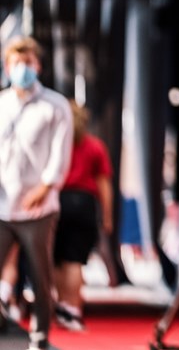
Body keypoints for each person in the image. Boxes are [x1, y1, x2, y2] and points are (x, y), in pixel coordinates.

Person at [0, 36, 73, 350]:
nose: (22, 69)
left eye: (28, 62)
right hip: (2, 206)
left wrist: (45, 187)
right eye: (16, 63)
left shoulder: (55, 105)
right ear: (7, 66)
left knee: (40, 276)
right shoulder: (2, 103)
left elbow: (61, 153)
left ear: (38, 65)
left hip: (37, 209)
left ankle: (40, 334)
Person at [52, 102, 112, 332]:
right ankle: (73, 308)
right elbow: (103, 184)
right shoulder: (95, 146)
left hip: (59, 201)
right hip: (84, 204)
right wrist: (107, 216)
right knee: (75, 260)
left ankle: (63, 304)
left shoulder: (57, 144)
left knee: (58, 259)